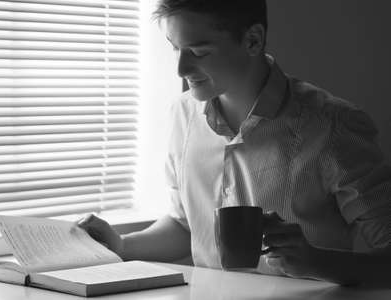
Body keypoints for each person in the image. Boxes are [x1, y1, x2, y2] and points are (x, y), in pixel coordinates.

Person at [76, 0, 391, 286]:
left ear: (252, 40)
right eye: (175, 48)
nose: (181, 69)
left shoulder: (333, 126)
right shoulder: (182, 114)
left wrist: (317, 262)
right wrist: (121, 246)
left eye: (198, 52)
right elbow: (186, 225)